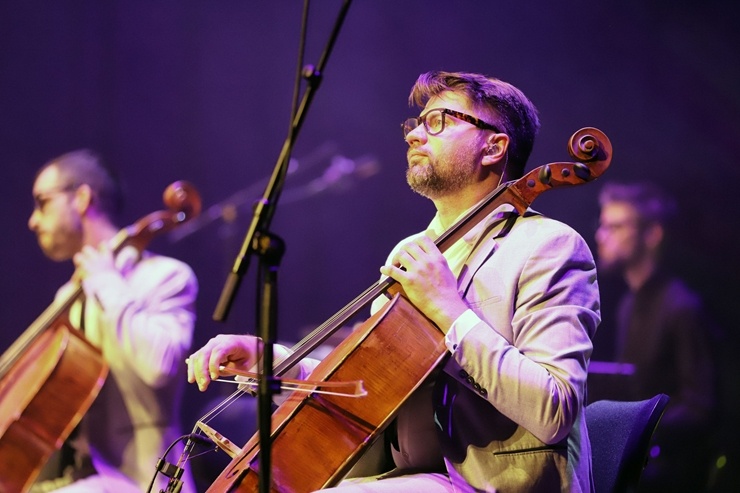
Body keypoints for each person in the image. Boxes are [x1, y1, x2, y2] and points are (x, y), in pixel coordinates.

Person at [188, 71, 601, 492]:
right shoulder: (413, 251)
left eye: (438, 121)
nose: (416, 135)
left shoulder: (549, 245)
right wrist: (271, 362)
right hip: (417, 478)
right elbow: (374, 390)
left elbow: (554, 410)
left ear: (493, 147)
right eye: (416, 124)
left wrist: (448, 309)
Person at [25, 150, 198, 492]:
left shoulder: (167, 276)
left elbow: (159, 366)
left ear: (82, 198)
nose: (32, 220)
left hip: (144, 482)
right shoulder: (68, 298)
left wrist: (107, 283)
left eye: (42, 202)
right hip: (75, 479)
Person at [594, 181, 717, 492]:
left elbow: (700, 406)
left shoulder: (682, 307)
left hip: (671, 478)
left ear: (652, 234)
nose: (601, 235)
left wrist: (633, 427)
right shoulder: (628, 303)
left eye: (617, 226)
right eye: (603, 225)